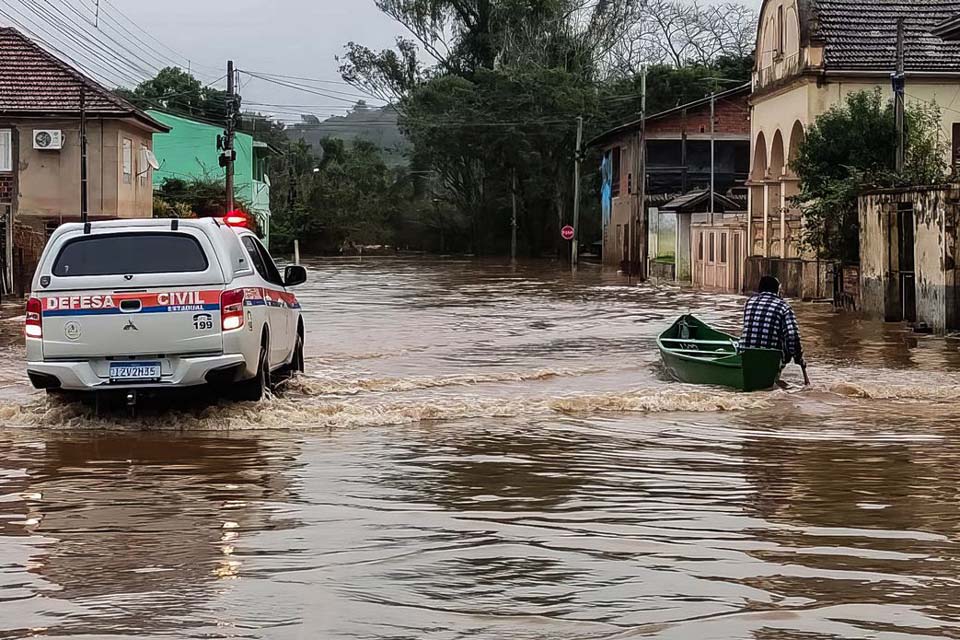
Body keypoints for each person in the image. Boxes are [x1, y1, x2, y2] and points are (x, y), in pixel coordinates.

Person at [742, 275, 809, 385]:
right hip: (771, 357)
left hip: (746, 354)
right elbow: (792, 336)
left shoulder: (749, 303)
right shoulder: (784, 307)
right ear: (777, 289)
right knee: (787, 344)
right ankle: (775, 375)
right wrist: (798, 357)